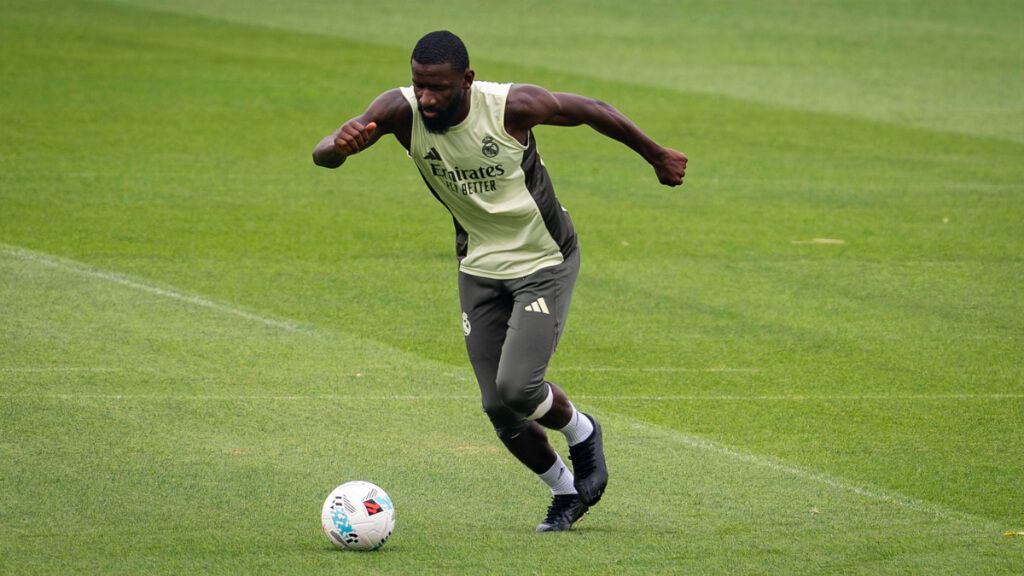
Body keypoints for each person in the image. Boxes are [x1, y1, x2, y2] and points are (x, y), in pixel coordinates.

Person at [313, 30, 687, 532]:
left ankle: (582, 431)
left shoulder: (510, 107)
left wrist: (656, 154)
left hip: (542, 260)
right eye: (418, 85)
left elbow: (592, 108)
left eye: (438, 88)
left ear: (466, 80)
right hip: (478, 266)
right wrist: (339, 147)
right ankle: (565, 492)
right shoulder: (399, 111)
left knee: (518, 387)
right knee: (498, 406)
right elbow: (324, 152)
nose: (426, 99)